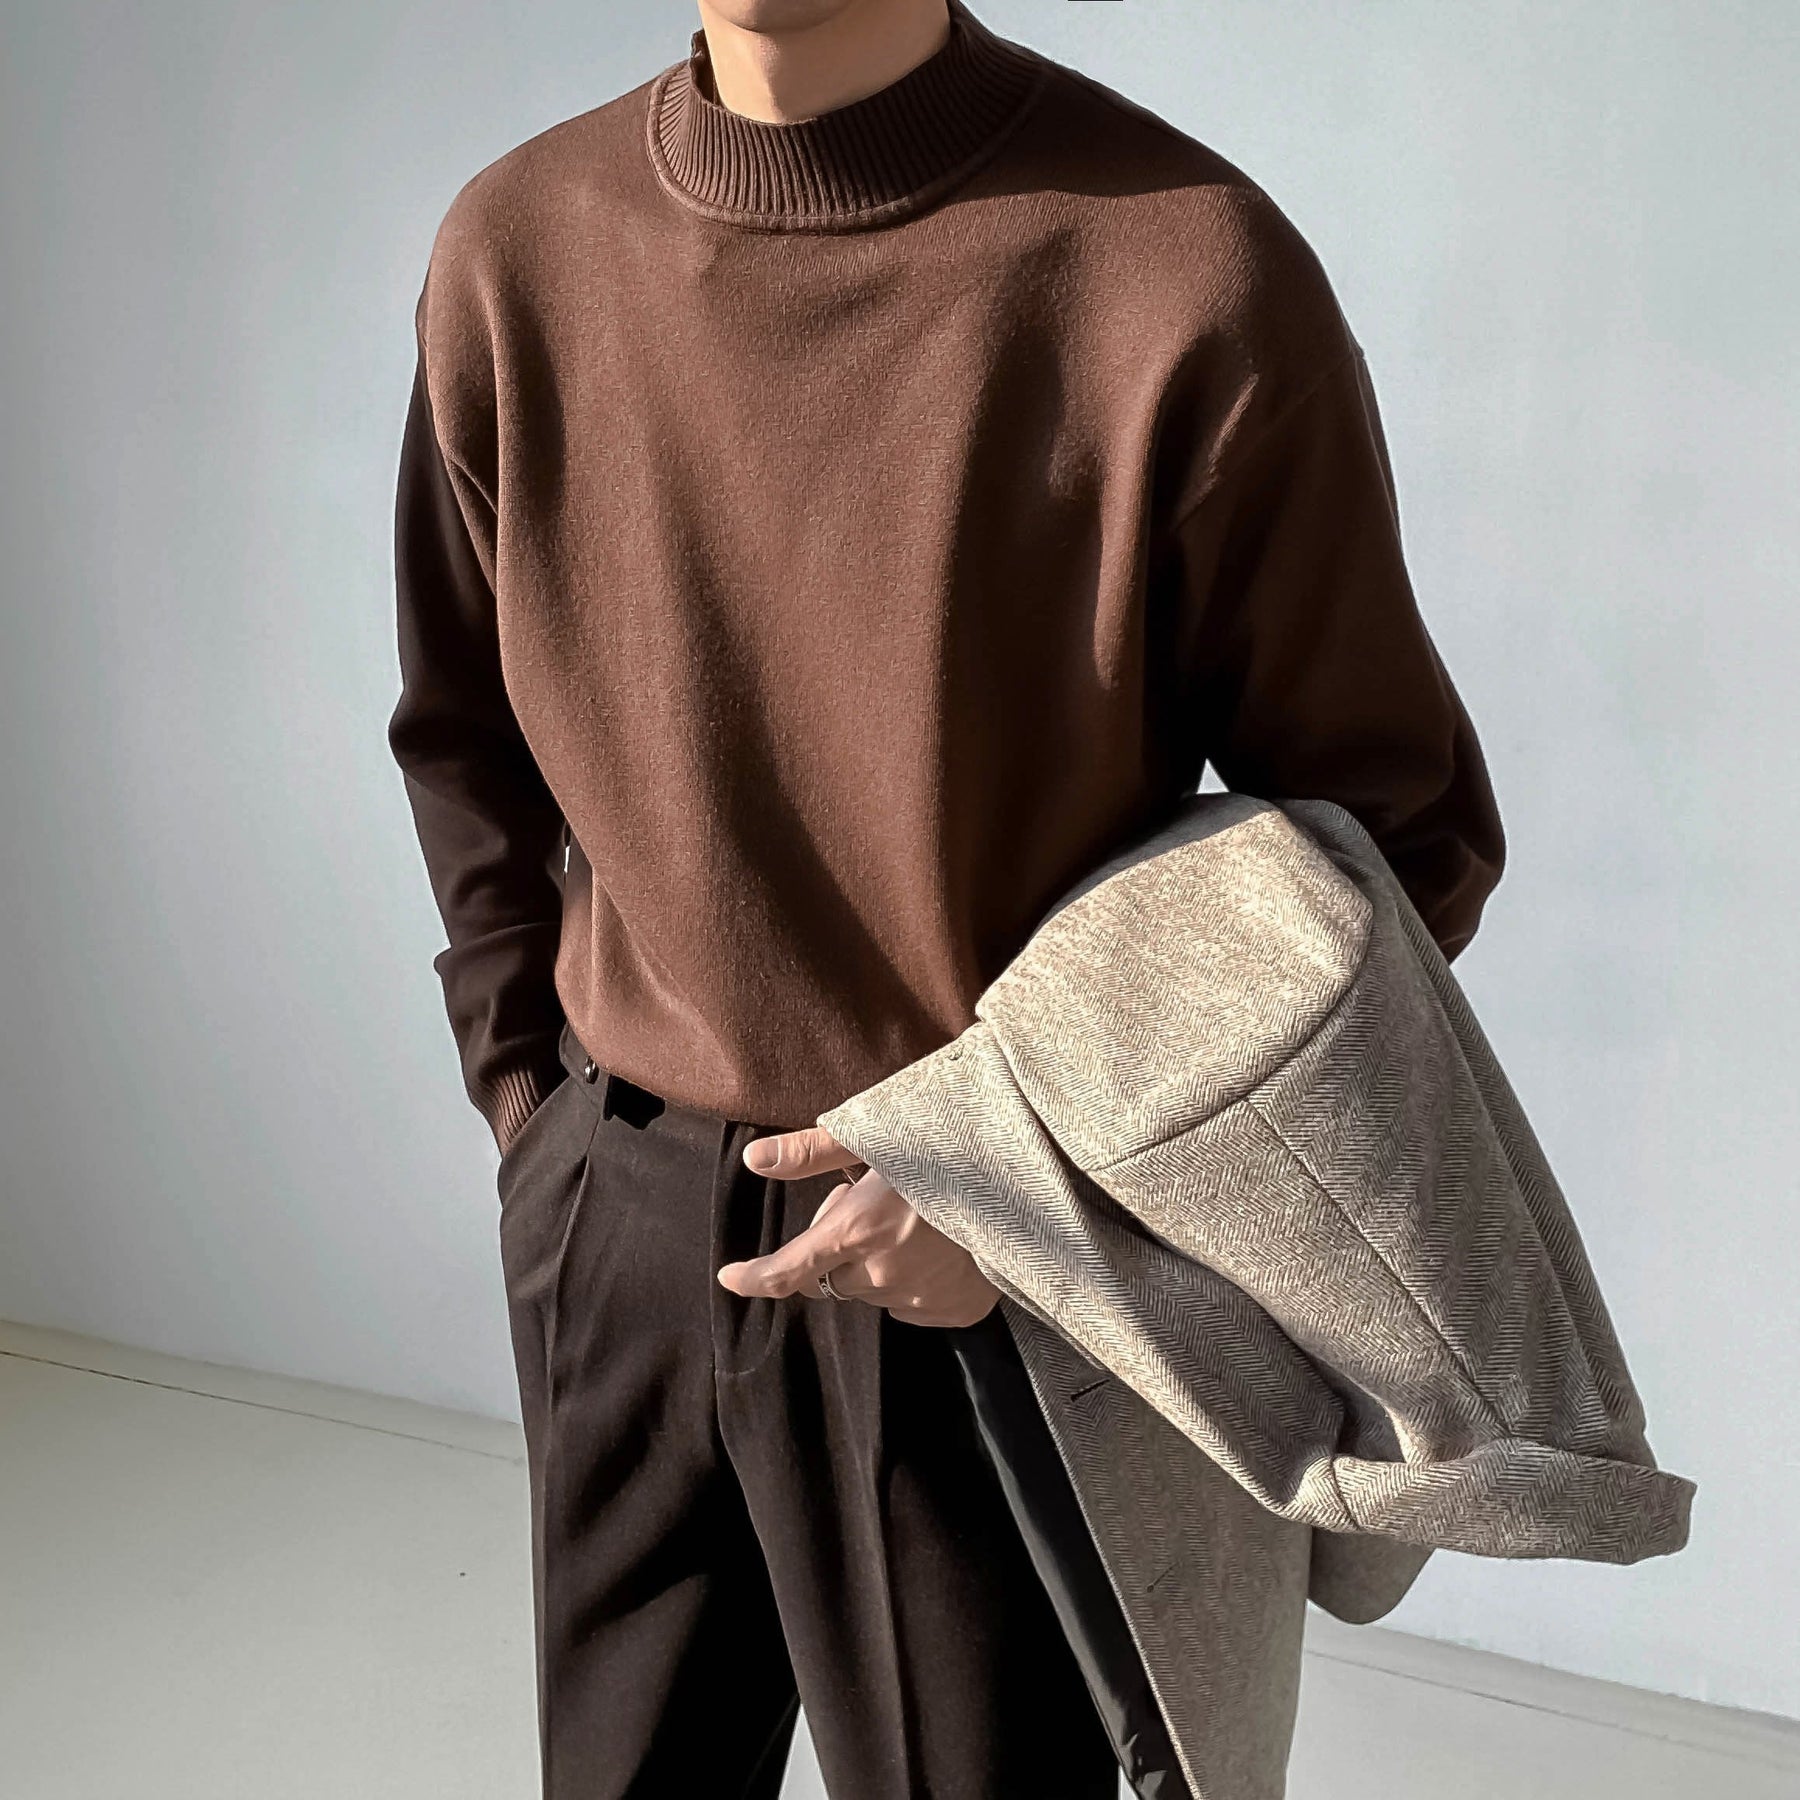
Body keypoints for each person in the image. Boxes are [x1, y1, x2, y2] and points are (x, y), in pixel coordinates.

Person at [386, 2, 1507, 1795]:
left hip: (985, 1281)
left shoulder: (1180, 267)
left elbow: (1390, 841)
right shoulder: (520, 244)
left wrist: (1034, 1182)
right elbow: (462, 729)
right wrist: (537, 1114)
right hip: (621, 1220)